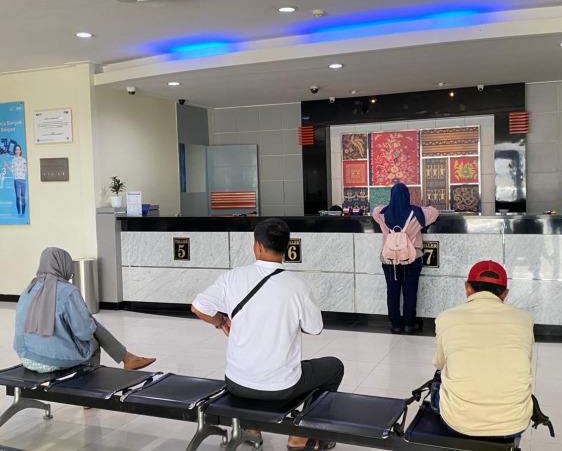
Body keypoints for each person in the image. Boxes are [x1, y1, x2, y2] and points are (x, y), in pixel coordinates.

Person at [191, 218, 344, 451]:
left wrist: (221, 321)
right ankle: (301, 435)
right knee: (334, 367)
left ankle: (251, 429)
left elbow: (198, 307)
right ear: (286, 247)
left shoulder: (233, 277)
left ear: (258, 246)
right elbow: (315, 328)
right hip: (281, 388)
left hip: (236, 383)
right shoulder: (297, 285)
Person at [431, 260, 534, 438]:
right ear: (505, 294)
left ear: (467, 288)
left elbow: (439, 364)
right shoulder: (525, 319)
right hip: (514, 424)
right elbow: (526, 361)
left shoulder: (446, 318)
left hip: (458, 423)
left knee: (440, 377)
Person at [14, 247, 156, 373]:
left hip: (26, 356)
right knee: (93, 343)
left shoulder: (28, 290)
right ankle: (90, 389)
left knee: (88, 324)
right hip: (52, 362)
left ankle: (128, 358)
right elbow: (84, 333)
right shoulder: (68, 292)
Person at [372, 183, 439, 334]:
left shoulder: (382, 213)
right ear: (407, 196)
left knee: (392, 291)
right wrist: (418, 206)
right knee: (410, 291)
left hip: (389, 259)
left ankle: (396, 324)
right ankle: (409, 323)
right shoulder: (417, 213)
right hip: (412, 257)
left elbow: (375, 210)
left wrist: (390, 205)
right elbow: (435, 212)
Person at [2, 144, 27, 216]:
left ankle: (23, 213)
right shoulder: (13, 160)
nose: (17, 151)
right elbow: (12, 171)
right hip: (16, 180)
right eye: (16, 149)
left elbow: (25, 170)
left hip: (23, 180)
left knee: (23, 197)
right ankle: (19, 213)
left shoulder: (23, 160)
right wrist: (7, 167)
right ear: (15, 151)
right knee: (18, 197)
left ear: (20, 151)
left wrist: (22, 174)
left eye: (18, 149)